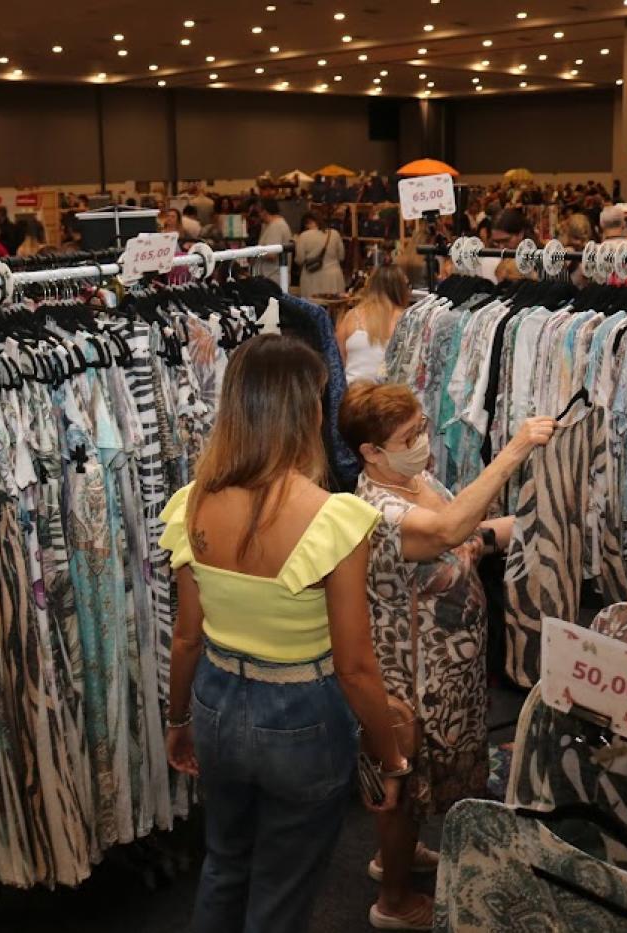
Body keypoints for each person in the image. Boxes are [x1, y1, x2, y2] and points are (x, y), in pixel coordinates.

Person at [160, 335, 407, 933]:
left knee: (224, 862)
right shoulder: (335, 517)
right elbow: (354, 666)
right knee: (283, 888)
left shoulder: (192, 503)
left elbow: (187, 637)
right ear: (305, 410)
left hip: (217, 698)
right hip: (303, 712)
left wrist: (177, 720)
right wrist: (388, 754)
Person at [340, 383, 554, 930]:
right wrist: (514, 451)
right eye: (408, 436)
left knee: (418, 782)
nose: (422, 442)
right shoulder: (379, 509)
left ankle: (398, 856)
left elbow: (465, 532)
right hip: (413, 675)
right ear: (371, 452)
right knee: (405, 780)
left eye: (420, 428)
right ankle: (392, 902)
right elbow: (447, 528)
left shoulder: (415, 480)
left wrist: (535, 522)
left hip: (446, 667)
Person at [337, 266, 409, 384]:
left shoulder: (352, 317)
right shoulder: (407, 319)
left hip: (353, 396)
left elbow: (338, 360)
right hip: (390, 398)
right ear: (402, 289)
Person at [295, 213, 346, 297]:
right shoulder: (334, 233)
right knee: (333, 306)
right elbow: (341, 256)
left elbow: (299, 259)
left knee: (313, 306)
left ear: (306, 224)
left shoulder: (303, 236)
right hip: (333, 277)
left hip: (312, 277)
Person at [254, 198, 293, 278]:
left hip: (274, 276)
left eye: (259, 212)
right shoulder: (270, 225)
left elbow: (271, 254)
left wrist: (254, 252)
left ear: (265, 211)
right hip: (271, 275)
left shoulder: (276, 226)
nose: (259, 215)